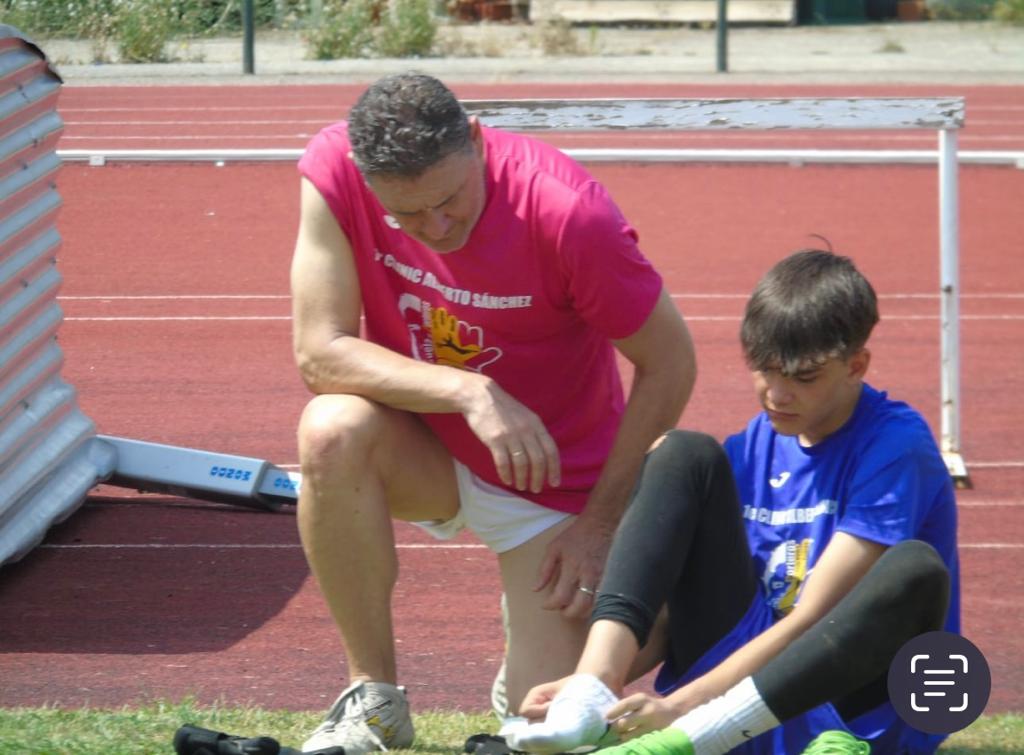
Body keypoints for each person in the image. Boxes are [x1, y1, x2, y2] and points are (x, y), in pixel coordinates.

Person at [289, 73, 697, 753]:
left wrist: (599, 523)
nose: (437, 228)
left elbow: (671, 362)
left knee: (543, 723)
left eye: (450, 199)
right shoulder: (333, 172)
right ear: (364, 175)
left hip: (555, 479)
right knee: (331, 428)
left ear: (476, 139)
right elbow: (318, 353)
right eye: (408, 215)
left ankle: (637, 603)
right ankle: (374, 697)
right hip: (422, 447)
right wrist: (469, 392)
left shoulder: (569, 213)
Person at [505, 250, 960, 755]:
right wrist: (588, 685)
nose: (777, 395)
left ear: (857, 365)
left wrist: (682, 708)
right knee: (683, 453)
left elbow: (814, 619)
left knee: (914, 569)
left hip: (842, 700)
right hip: (738, 696)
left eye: (803, 377)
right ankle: (593, 688)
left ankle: (696, 738)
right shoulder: (749, 448)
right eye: (764, 370)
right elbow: (681, 612)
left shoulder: (896, 444)